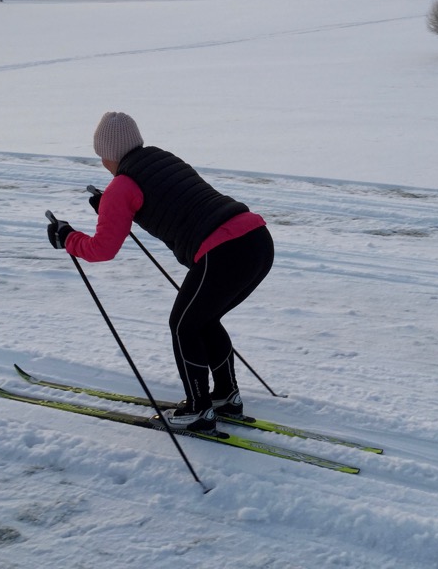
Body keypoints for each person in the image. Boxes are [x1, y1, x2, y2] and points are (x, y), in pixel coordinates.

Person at [46, 111, 274, 433]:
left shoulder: (121, 186)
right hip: (256, 240)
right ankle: (225, 396)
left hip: (223, 251)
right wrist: (111, 208)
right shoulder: (162, 159)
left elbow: (102, 249)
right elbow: (167, 201)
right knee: (201, 320)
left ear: (109, 154)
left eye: (101, 156)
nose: (102, 163)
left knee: (184, 326)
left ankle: (198, 409)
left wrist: (67, 238)